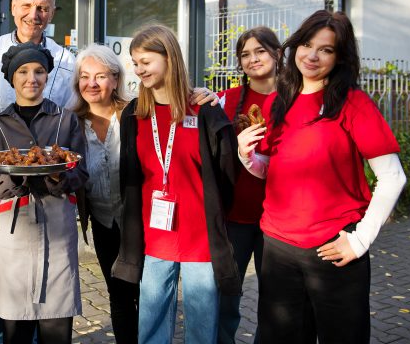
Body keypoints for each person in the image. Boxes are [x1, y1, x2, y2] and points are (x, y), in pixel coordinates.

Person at [237, 10, 406, 344]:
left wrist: (359, 241)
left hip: (333, 248)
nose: (312, 55)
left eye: (326, 49)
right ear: (295, 46)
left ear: (339, 57)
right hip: (278, 247)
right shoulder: (276, 102)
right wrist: (247, 156)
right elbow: (269, 168)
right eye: (307, 44)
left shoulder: (352, 103)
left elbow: (393, 177)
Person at [112, 24, 240, 344]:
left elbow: (227, 172)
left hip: (199, 239)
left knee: (201, 326)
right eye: (135, 62)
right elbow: (129, 176)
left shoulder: (204, 110)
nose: (139, 69)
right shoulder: (134, 114)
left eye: (146, 61)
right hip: (156, 236)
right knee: (152, 323)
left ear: (169, 58)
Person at [0, 42, 88, 344]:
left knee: (57, 324)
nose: (32, 78)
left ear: (48, 75)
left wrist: (55, 176)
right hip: (14, 229)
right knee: (16, 326)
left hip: (57, 224)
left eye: (39, 71)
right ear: (12, 78)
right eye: (24, 71)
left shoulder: (65, 120)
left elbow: (80, 172)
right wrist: (22, 180)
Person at [70, 44, 140, 343]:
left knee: (144, 290)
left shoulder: (135, 112)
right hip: (101, 220)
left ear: (115, 79)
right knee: (117, 291)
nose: (92, 84)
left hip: (138, 219)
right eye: (85, 77)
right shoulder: (70, 122)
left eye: (100, 76)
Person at [216, 27, 281, 344]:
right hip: (234, 217)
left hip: (279, 220)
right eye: (245, 54)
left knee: (276, 300)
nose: (253, 59)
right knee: (226, 294)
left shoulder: (294, 101)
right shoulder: (226, 101)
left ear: (277, 54)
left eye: (260, 51)